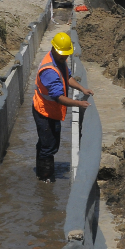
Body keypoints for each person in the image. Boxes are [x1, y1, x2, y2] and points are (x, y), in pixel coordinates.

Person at [32, 32, 93, 182]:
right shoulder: (49, 71)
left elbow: (67, 76)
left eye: (66, 55)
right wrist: (78, 104)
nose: (65, 58)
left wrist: (82, 89)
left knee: (48, 143)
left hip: (50, 110)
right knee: (48, 145)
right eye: (62, 55)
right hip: (44, 111)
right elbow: (58, 97)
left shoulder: (58, 60)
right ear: (54, 49)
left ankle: (42, 171)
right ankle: (45, 177)